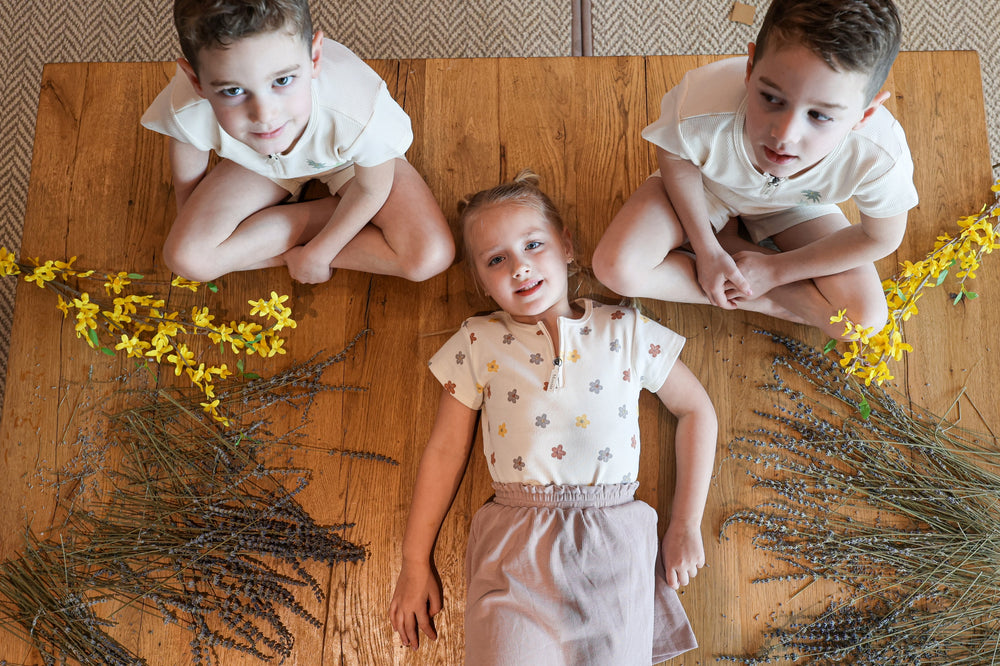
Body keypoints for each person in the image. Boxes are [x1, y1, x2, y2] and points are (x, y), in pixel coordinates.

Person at [388, 170, 715, 664]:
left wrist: (685, 523)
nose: (519, 267)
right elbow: (445, 450)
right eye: (497, 260)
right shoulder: (478, 342)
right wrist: (416, 561)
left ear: (566, 246)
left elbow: (697, 410)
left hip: (613, 540)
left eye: (533, 245)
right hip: (516, 544)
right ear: (481, 281)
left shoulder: (624, 329)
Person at [593, 0, 916, 339]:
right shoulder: (703, 105)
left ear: (864, 116)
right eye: (772, 99)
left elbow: (880, 237)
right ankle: (767, 300)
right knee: (614, 268)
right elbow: (675, 156)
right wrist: (706, 249)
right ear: (750, 68)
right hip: (707, 187)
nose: (784, 136)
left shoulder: (879, 155)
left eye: (819, 116)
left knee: (863, 320)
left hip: (800, 203)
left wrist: (775, 271)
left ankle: (736, 255)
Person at [141, 0, 453, 284]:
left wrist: (319, 254)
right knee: (186, 259)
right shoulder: (187, 107)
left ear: (314, 57)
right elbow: (187, 169)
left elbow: (372, 189)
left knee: (428, 256)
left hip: (352, 166)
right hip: (258, 163)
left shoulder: (357, 114)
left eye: (282, 81)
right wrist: (192, 223)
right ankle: (317, 221)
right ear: (196, 81)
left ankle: (299, 231)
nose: (265, 116)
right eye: (233, 91)